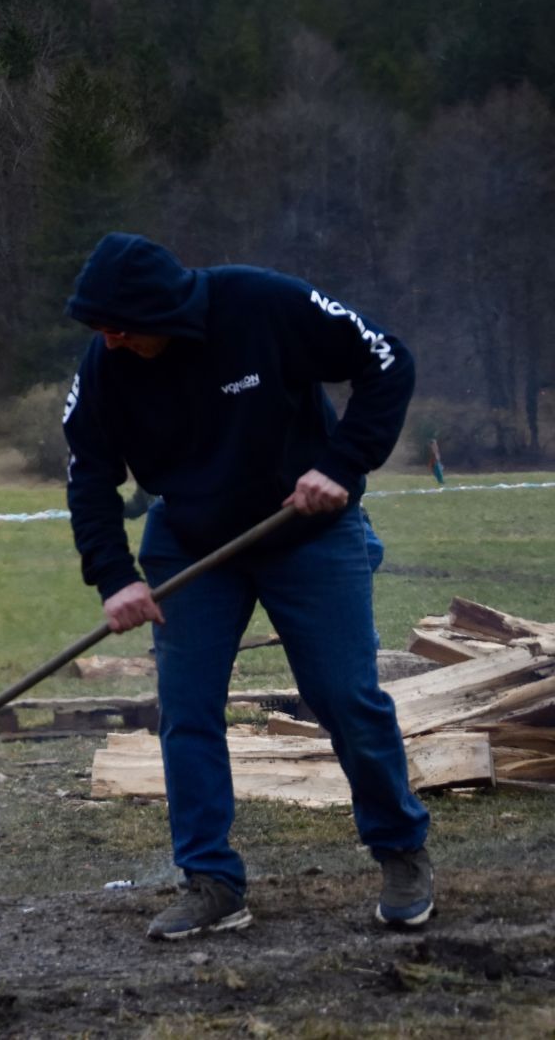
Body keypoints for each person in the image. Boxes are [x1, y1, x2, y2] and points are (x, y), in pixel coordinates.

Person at [60, 233, 431, 940]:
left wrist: (343, 464)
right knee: (188, 710)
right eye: (99, 328)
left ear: (161, 312)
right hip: (191, 540)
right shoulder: (107, 365)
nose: (108, 341)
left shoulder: (262, 303)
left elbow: (387, 359)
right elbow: (89, 471)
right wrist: (115, 576)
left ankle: (401, 850)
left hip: (307, 529)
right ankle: (211, 881)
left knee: (345, 695)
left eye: (120, 326)